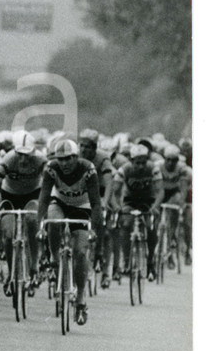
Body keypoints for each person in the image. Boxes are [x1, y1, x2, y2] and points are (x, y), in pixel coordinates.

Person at [37, 139, 102, 325]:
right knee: (54, 219)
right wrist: (41, 224)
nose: (64, 164)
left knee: (81, 252)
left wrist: (94, 230)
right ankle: (54, 258)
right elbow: (43, 198)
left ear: (76, 157)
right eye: (61, 159)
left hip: (82, 206)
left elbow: (96, 203)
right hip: (60, 203)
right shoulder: (51, 167)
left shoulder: (88, 168)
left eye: (69, 159)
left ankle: (81, 300)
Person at [0, 130, 46, 295]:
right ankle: (11, 273)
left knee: (33, 220)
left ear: (33, 152)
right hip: (9, 195)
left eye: (28, 155)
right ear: (15, 151)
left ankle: (34, 265)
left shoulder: (41, 160)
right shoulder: (8, 159)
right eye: (20, 154)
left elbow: (49, 183)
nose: (24, 159)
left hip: (32, 195)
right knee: (9, 233)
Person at [111, 143, 164, 282]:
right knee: (126, 223)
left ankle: (150, 261)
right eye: (137, 163)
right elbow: (114, 191)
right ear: (131, 161)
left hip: (149, 200)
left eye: (143, 162)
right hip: (131, 200)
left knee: (151, 227)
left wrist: (156, 206)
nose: (141, 166)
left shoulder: (153, 168)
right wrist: (116, 206)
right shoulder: (124, 169)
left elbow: (160, 191)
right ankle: (127, 261)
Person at [78, 129, 115, 288]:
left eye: (88, 147)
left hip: (99, 192)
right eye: (82, 146)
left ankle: (101, 258)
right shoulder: (76, 156)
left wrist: (105, 202)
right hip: (82, 192)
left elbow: (109, 183)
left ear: (94, 148)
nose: (84, 149)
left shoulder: (103, 158)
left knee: (105, 230)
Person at [156, 145, 190, 268]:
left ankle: (171, 241)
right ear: (164, 158)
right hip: (161, 192)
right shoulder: (158, 166)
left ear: (177, 160)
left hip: (174, 192)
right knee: (156, 216)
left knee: (173, 213)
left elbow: (184, 188)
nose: (170, 163)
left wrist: (181, 203)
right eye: (168, 159)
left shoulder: (182, 168)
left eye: (174, 160)